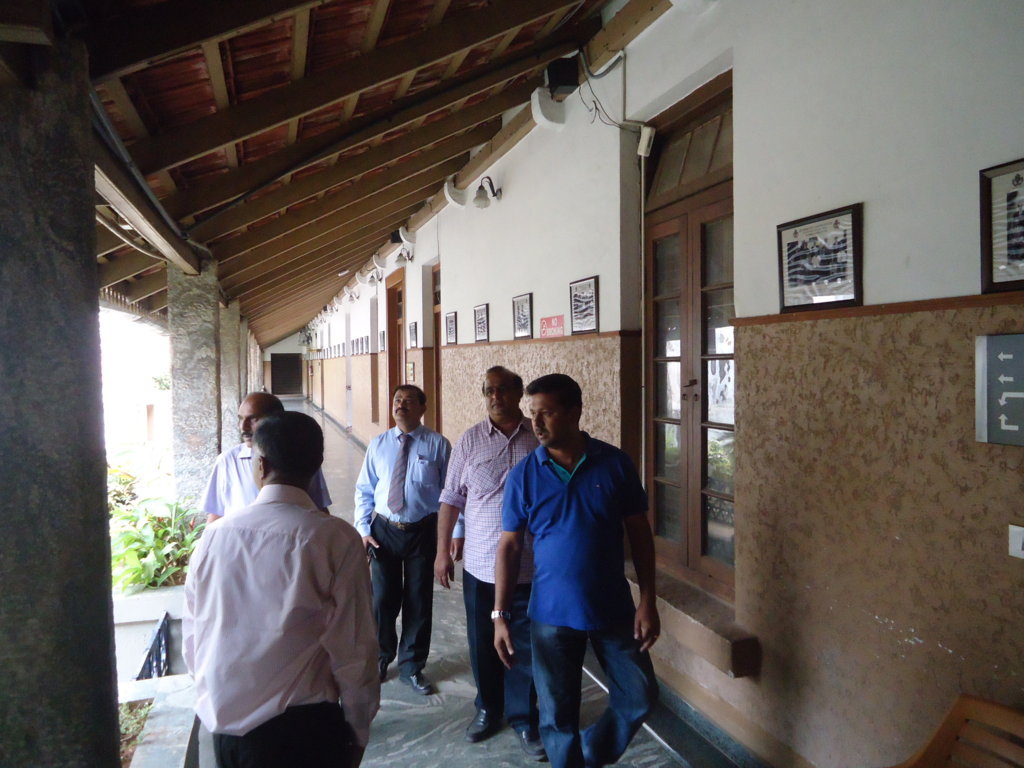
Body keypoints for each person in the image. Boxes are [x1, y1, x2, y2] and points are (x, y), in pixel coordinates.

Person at [183, 411, 379, 768]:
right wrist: (358, 731)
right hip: (303, 734)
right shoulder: (335, 540)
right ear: (317, 465)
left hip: (226, 732)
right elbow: (355, 651)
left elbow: (194, 639)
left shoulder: (213, 537)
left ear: (261, 465)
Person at [493, 374, 660, 768]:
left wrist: (648, 600)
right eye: (533, 413)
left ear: (574, 413)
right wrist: (500, 615)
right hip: (550, 614)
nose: (536, 423)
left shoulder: (614, 464)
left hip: (612, 608)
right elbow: (510, 546)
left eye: (546, 413)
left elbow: (639, 533)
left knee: (640, 694)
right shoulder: (524, 475)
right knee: (556, 715)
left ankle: (592, 751)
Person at [435, 366, 545, 760]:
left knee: (525, 644)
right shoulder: (469, 441)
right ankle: (488, 708)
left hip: (530, 566)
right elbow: (450, 499)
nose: (495, 397)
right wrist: (442, 551)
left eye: (502, 390)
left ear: (518, 393)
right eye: (488, 391)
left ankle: (524, 717)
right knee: (482, 642)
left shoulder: (538, 438)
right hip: (481, 566)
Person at [355, 384, 451, 695]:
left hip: (423, 531)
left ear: (423, 408)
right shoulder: (379, 444)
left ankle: (412, 666)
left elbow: (450, 494)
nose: (401, 405)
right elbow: (364, 489)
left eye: (409, 401)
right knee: (382, 600)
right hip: (384, 531)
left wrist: (452, 536)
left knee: (418, 601)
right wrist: (363, 529)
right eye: (397, 400)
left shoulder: (438, 445)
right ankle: (381, 657)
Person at [201, 392, 332, 525]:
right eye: (240, 419)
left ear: (276, 421)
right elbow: (216, 515)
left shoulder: (300, 458)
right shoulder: (227, 461)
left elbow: (319, 508)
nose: (243, 427)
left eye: (253, 419)